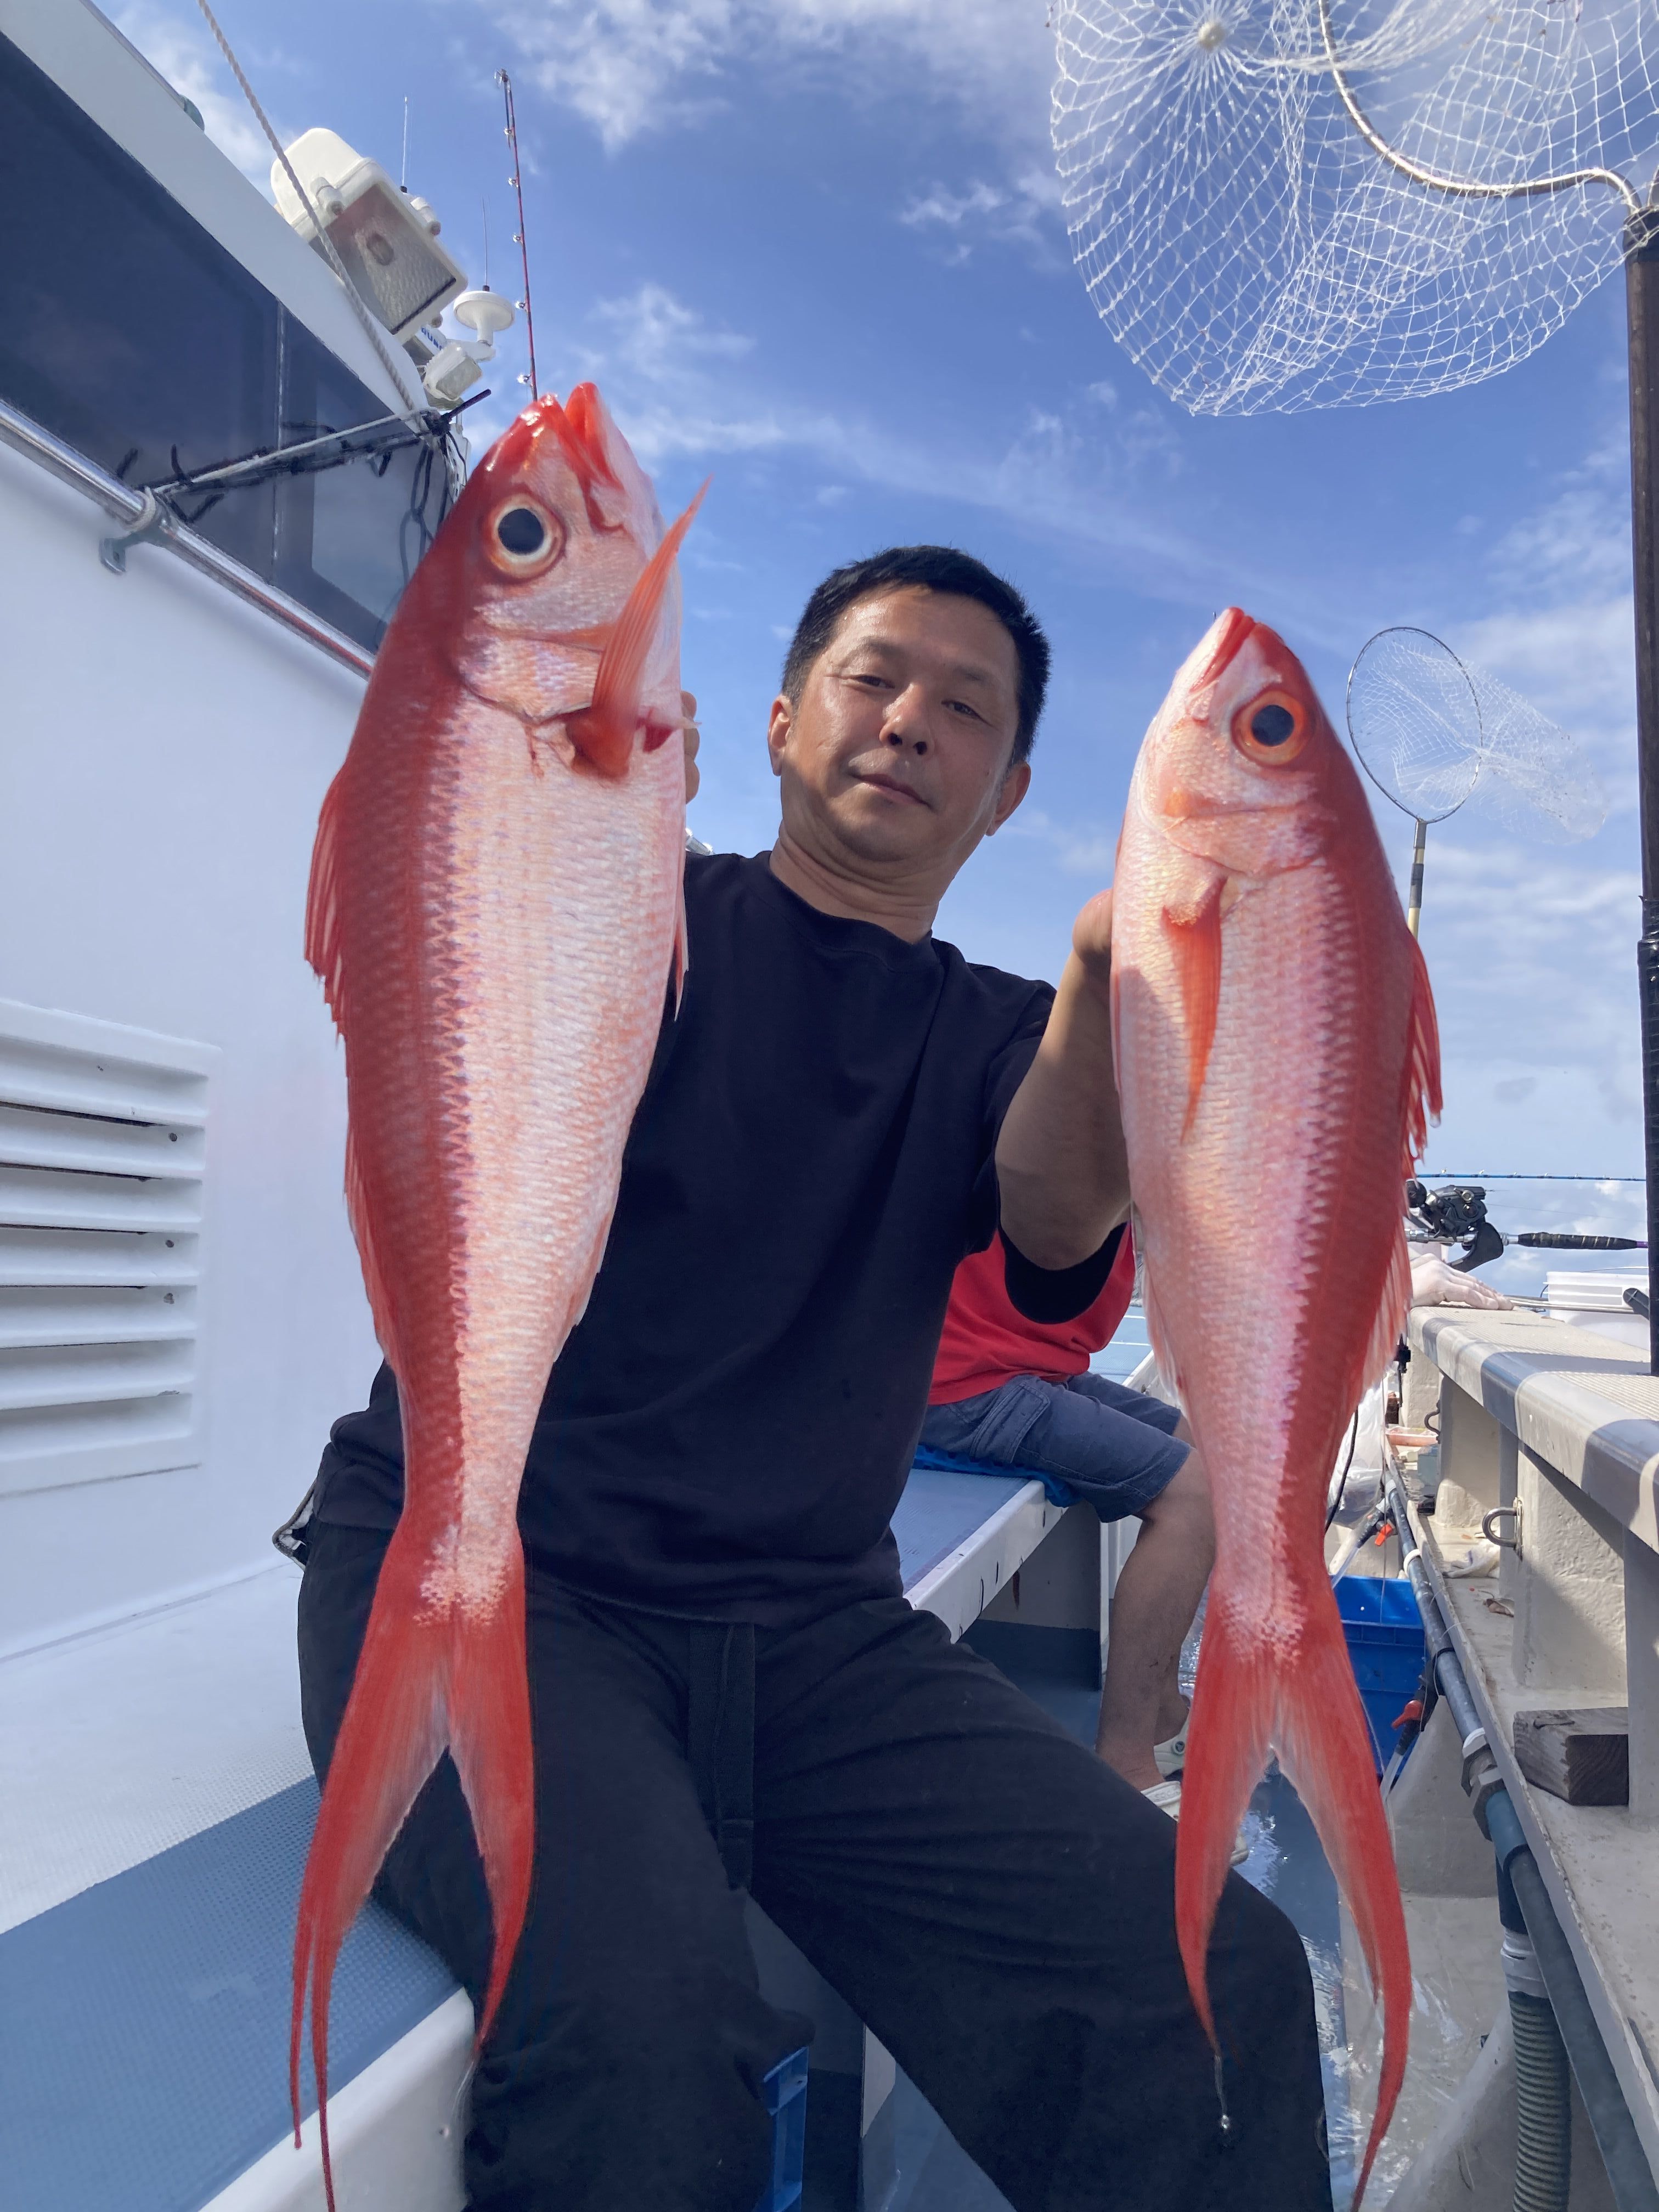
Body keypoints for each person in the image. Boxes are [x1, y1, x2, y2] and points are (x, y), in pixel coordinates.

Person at [296, 546, 1330, 2212]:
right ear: (778, 724)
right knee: (646, 2039)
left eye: (966, 710)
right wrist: (560, 774)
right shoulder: (627, 917)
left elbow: (1055, 1214)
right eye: (872, 678)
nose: (910, 722)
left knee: (1217, 1983)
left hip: (808, 1630)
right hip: (486, 1578)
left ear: (1009, 797)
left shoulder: (1007, 1030)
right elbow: (468, 948)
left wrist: (1108, 974)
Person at [923, 1231, 1215, 1801]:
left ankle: (1162, 1718)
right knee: (1193, 1501)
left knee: (1201, 1449)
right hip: (962, 1380)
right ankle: (1125, 1767)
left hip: (1026, 1361)